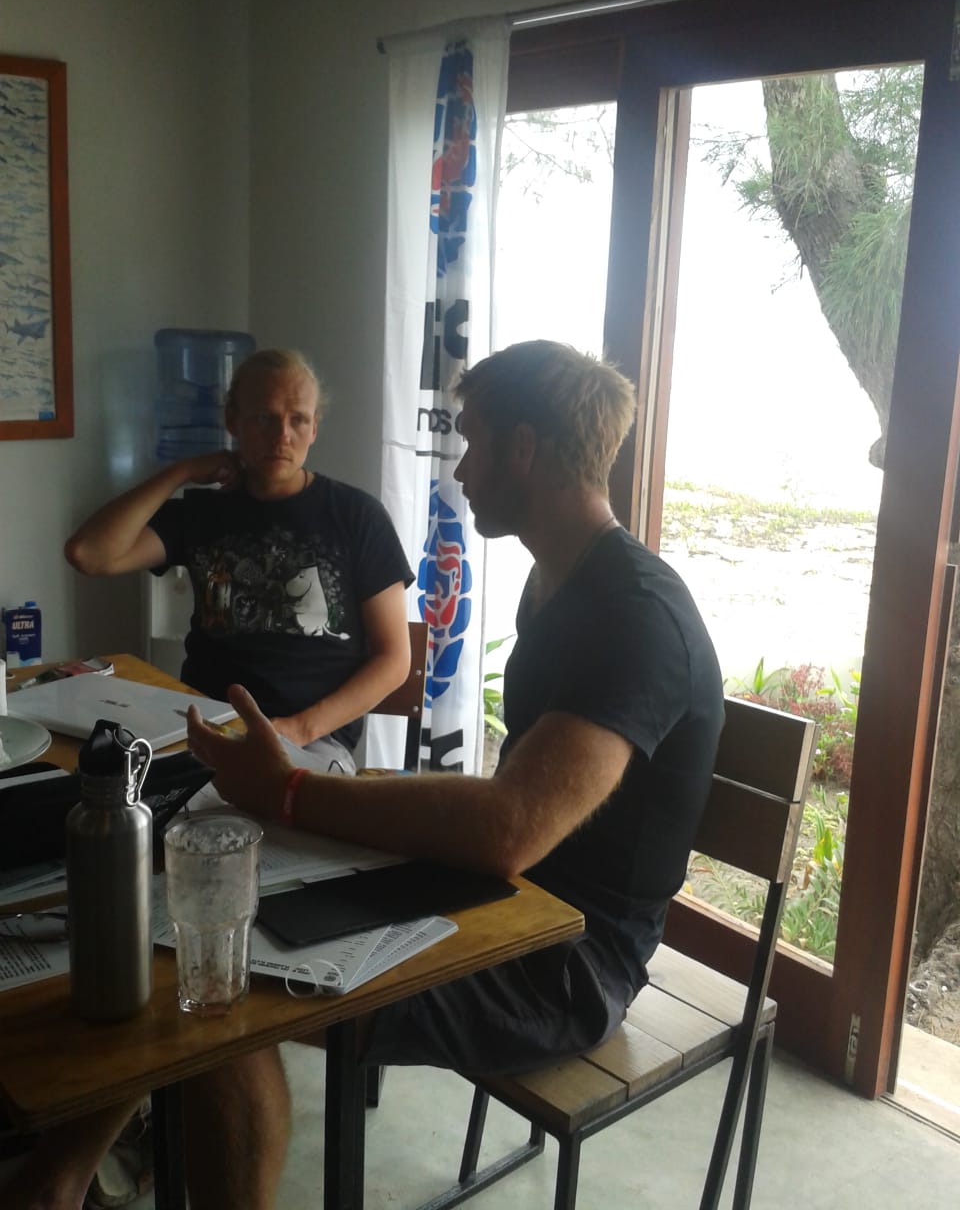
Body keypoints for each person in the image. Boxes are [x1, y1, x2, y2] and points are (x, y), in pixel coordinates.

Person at [7, 340, 722, 1210]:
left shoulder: (635, 615)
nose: (461, 469)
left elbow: (510, 828)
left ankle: (61, 1178)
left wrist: (292, 789)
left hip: (565, 963)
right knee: (202, 930)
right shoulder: (563, 583)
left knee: (222, 986)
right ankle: (59, 1176)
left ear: (524, 450)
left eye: (473, 441)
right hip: (488, 893)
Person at [64, 347, 414, 772]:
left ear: (314, 428)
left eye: (298, 420)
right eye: (264, 418)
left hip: (312, 741)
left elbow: (394, 659)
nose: (282, 435)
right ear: (233, 421)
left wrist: (298, 729)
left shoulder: (357, 517)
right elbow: (89, 554)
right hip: (202, 731)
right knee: (108, 793)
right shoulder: (203, 513)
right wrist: (181, 472)